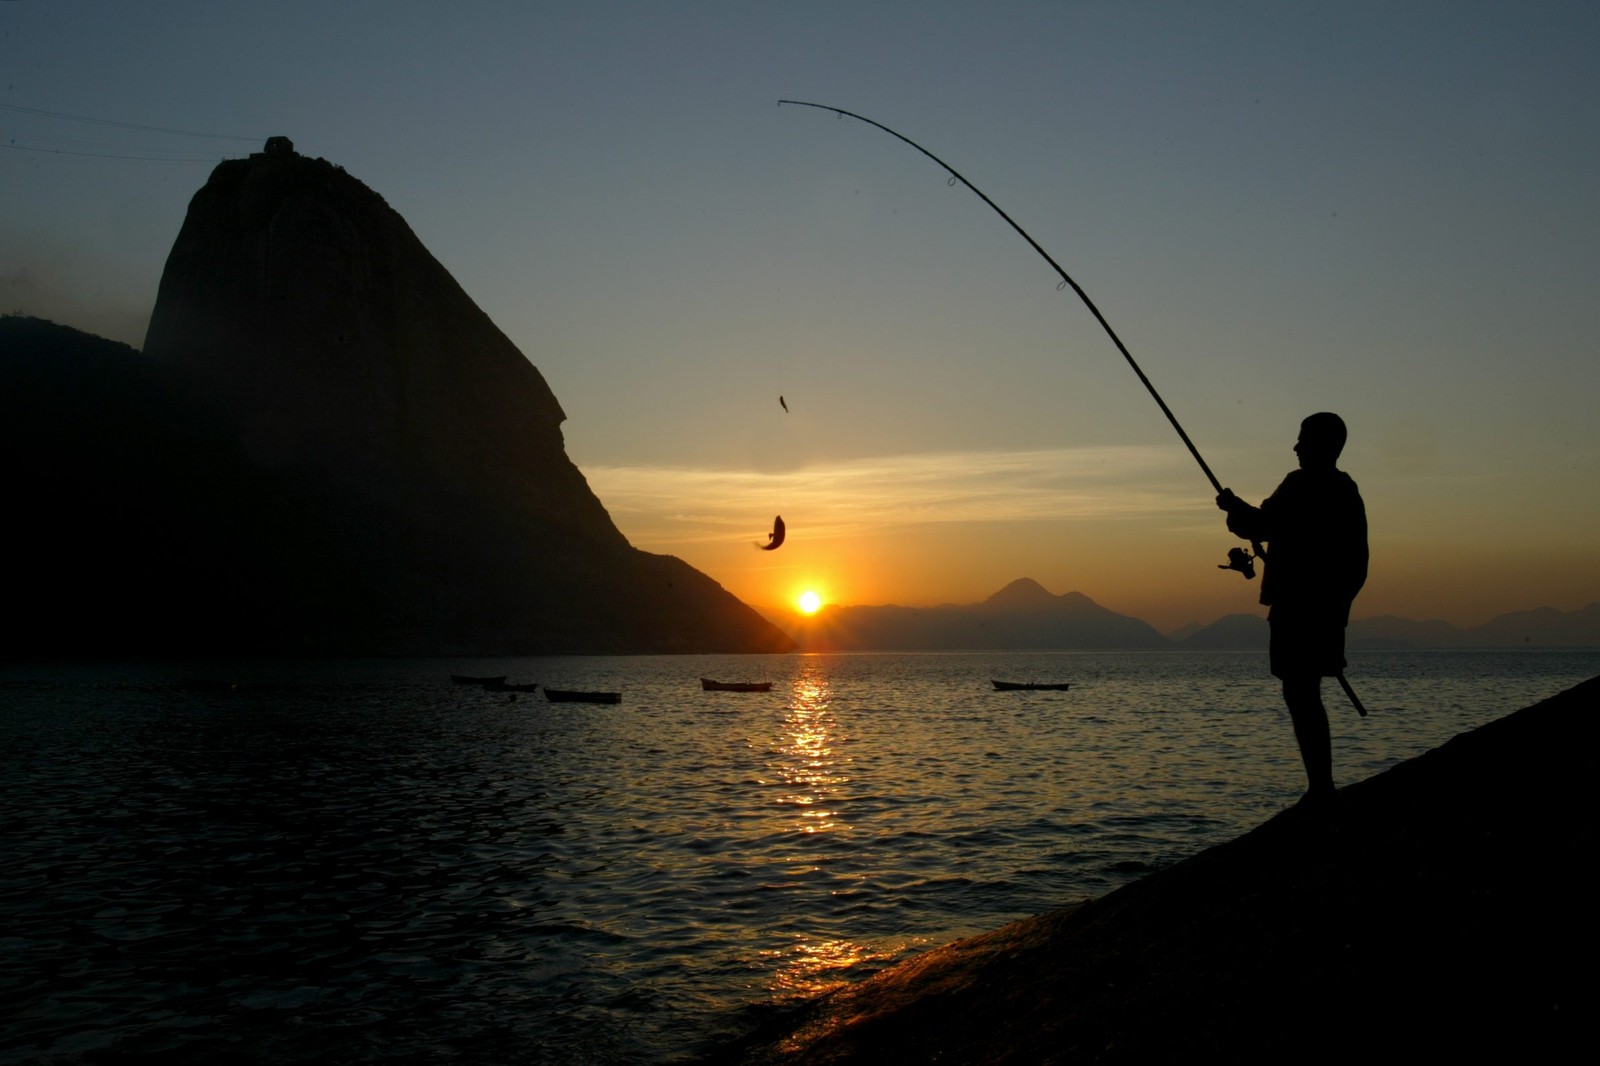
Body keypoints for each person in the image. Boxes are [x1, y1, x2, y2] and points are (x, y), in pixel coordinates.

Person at [1216, 412, 1367, 801]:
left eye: (1303, 440)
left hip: (1298, 609)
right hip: (1327, 612)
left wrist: (1232, 507)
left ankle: (1320, 787)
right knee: (1305, 691)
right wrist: (1338, 608)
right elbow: (1357, 564)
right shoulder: (1346, 490)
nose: (1296, 447)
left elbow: (1262, 525)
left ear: (1322, 445)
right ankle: (1321, 784)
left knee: (1300, 692)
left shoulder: (1301, 485)